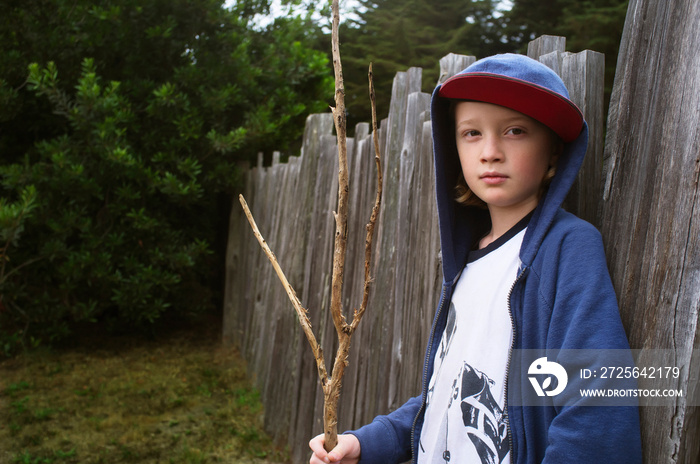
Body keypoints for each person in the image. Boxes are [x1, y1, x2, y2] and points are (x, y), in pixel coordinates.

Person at [309, 53, 642, 464]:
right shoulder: (467, 264)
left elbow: (599, 404)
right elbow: (452, 391)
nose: (490, 151)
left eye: (515, 131)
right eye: (471, 133)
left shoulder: (567, 248)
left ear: (554, 151)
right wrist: (368, 442)